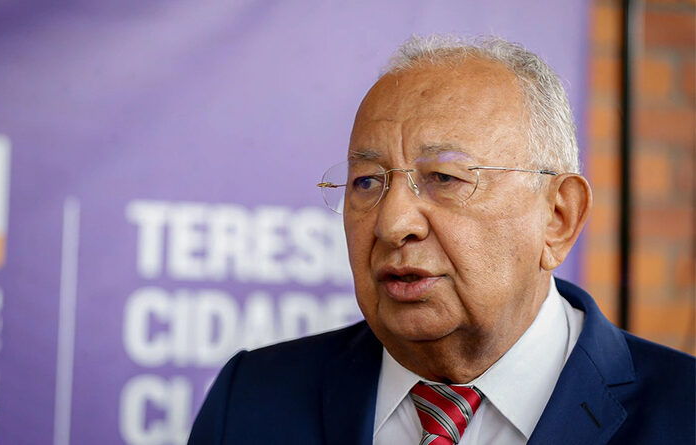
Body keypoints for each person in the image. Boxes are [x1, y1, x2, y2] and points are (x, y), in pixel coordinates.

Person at [188, 35, 695, 445]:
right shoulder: (251, 401)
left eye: (445, 178)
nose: (392, 224)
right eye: (367, 181)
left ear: (558, 217)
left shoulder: (683, 415)